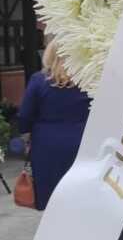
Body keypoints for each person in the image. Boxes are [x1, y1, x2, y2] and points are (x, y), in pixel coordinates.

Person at [18, 41, 91, 210]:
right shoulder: (87, 81)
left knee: (50, 195)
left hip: (46, 145)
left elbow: (25, 115)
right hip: (81, 141)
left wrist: (25, 135)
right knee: (79, 195)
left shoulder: (39, 80)